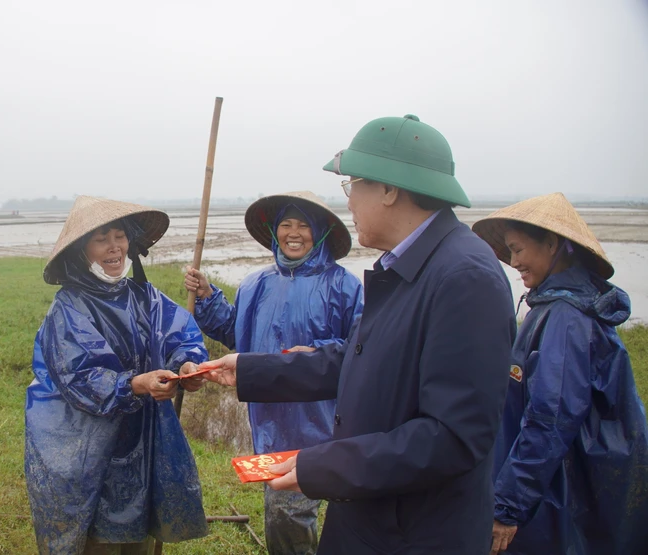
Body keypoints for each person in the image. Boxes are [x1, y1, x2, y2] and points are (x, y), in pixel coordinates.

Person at [193, 115, 517, 554]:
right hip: (376, 516)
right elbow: (357, 359)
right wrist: (252, 368)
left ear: (388, 189)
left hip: (412, 533)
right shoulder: (404, 267)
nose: (349, 203)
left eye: (353, 186)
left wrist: (322, 464)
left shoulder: (463, 276)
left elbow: (451, 438)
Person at [25, 195, 208, 554]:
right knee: (100, 533)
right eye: (101, 239)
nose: (114, 247)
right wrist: (135, 384)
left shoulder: (144, 296)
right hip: (88, 443)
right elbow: (81, 377)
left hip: (142, 435)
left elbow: (179, 335)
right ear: (80, 250)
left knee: (138, 528)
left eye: (120, 236)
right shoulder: (69, 306)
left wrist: (188, 365)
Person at [183, 190, 363, 554]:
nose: (293, 233)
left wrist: (319, 352)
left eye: (303, 225)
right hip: (276, 424)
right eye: (286, 224)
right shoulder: (255, 284)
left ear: (321, 232)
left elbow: (365, 350)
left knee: (350, 520)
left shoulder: (346, 286)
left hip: (334, 422)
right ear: (274, 231)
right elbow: (237, 332)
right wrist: (207, 297)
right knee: (285, 517)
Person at [472, 192, 648, 555]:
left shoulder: (566, 319)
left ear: (552, 243)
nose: (514, 262)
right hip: (560, 480)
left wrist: (509, 506)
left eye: (518, 250)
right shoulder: (554, 306)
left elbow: (550, 418)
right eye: (510, 252)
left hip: (571, 486)